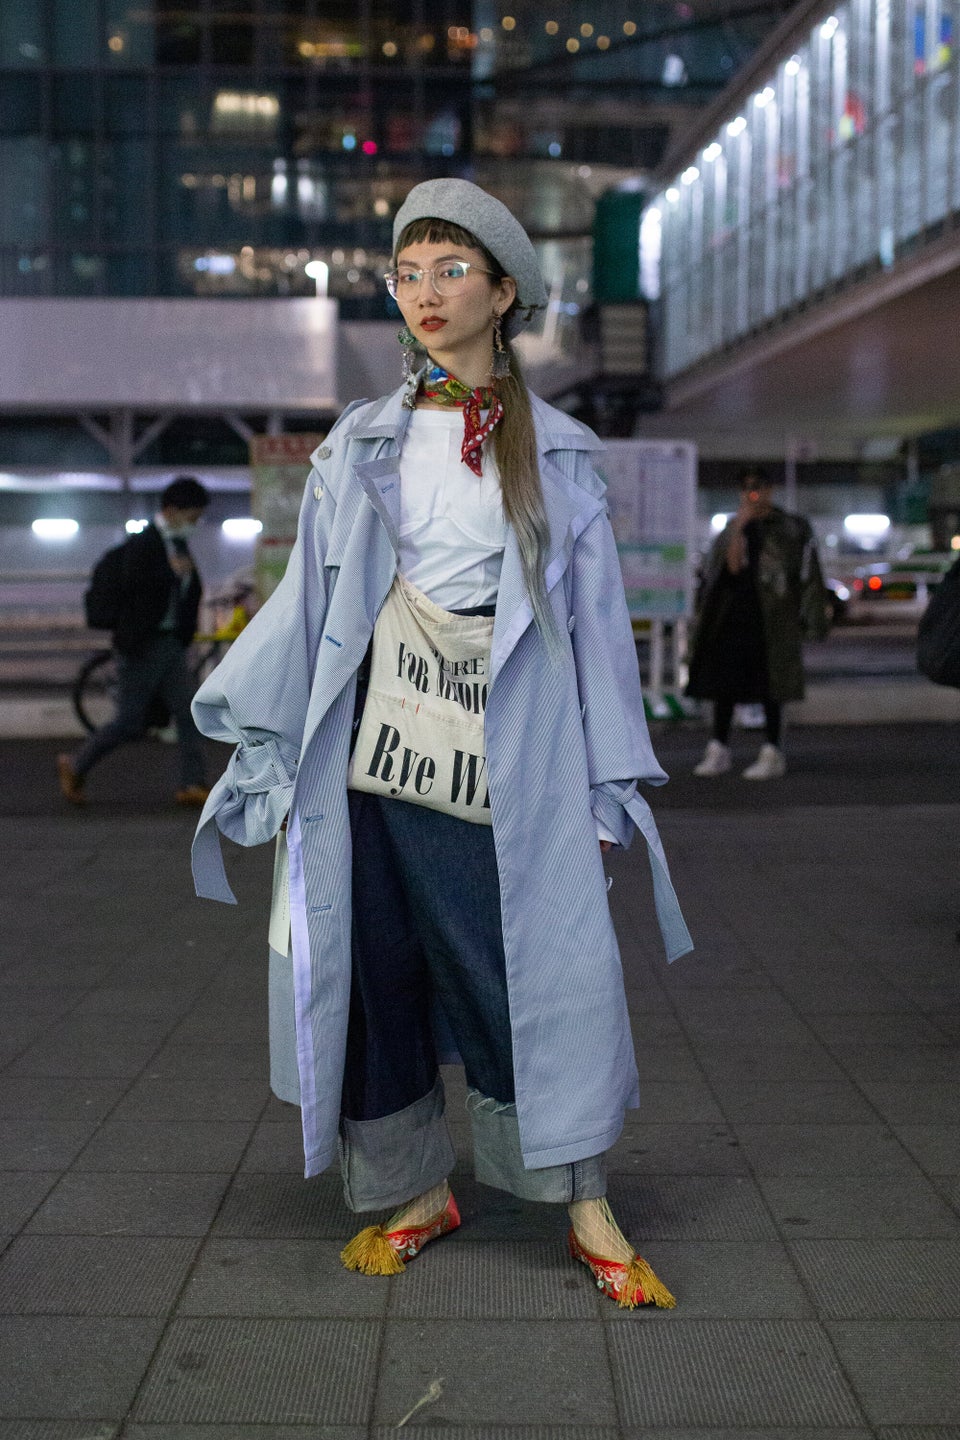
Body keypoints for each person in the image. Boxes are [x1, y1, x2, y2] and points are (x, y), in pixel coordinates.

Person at [190, 179, 692, 1309]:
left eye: (451, 270)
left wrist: (612, 783)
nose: (424, 293)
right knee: (378, 968)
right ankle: (414, 1190)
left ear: (504, 292)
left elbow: (598, 629)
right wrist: (262, 744)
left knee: (520, 968)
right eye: (408, 273)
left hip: (510, 749)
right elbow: (311, 600)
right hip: (372, 746)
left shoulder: (557, 455)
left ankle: (580, 1194)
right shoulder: (358, 443)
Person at [57, 475, 212, 808]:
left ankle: (192, 783)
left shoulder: (178, 545)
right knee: (129, 721)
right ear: (172, 511)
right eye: (193, 516)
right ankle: (76, 765)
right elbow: (137, 591)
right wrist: (171, 574)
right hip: (143, 645)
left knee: (188, 713)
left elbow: (187, 591)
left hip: (170, 644)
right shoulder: (144, 544)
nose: (196, 523)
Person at [686, 466, 829, 780]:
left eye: (759, 486)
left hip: (774, 616)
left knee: (771, 684)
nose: (753, 493)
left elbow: (807, 575)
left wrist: (812, 618)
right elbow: (730, 568)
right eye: (747, 487)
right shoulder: (732, 528)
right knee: (724, 683)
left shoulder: (791, 528)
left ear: (770, 490)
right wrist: (740, 525)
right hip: (733, 614)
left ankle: (772, 750)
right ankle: (718, 747)